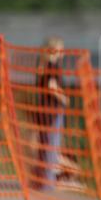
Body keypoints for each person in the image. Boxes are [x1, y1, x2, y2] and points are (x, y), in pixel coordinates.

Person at [33, 36, 81, 191]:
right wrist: (64, 97)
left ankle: (43, 180)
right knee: (52, 147)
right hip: (53, 110)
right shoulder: (52, 66)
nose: (63, 52)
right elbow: (52, 86)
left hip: (43, 110)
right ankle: (50, 181)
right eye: (61, 49)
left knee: (46, 146)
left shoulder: (41, 65)